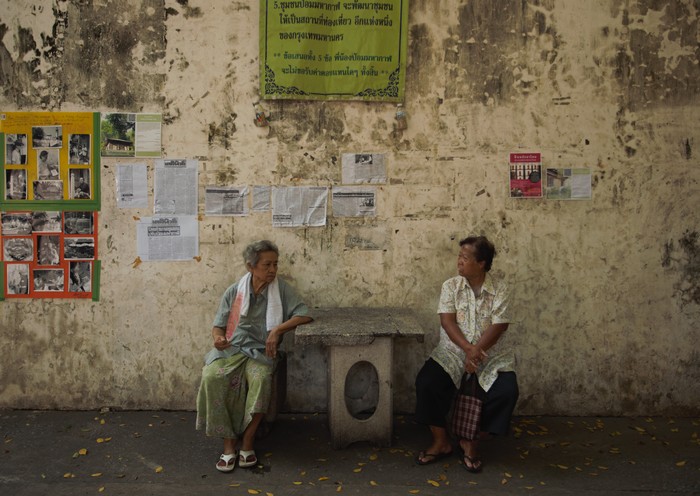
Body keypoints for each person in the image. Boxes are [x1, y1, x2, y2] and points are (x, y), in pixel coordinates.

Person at [196, 240, 313, 473]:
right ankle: (229, 445)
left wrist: (277, 330)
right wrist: (218, 340)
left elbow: (305, 314)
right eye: (267, 265)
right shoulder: (234, 291)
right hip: (233, 349)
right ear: (251, 267)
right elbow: (218, 327)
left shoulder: (280, 289)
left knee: (260, 380)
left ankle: (248, 442)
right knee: (212, 377)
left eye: (275, 264)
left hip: (261, 352)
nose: (272, 270)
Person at [414, 235, 517, 473]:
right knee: (427, 383)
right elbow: (447, 321)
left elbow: (499, 325)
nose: (459, 261)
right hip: (453, 351)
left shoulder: (500, 288)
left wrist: (477, 352)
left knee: (506, 390)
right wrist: (468, 350)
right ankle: (441, 442)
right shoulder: (451, 286)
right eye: (459, 256)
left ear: (481, 263)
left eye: (465, 257)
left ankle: (471, 442)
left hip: (490, 355)